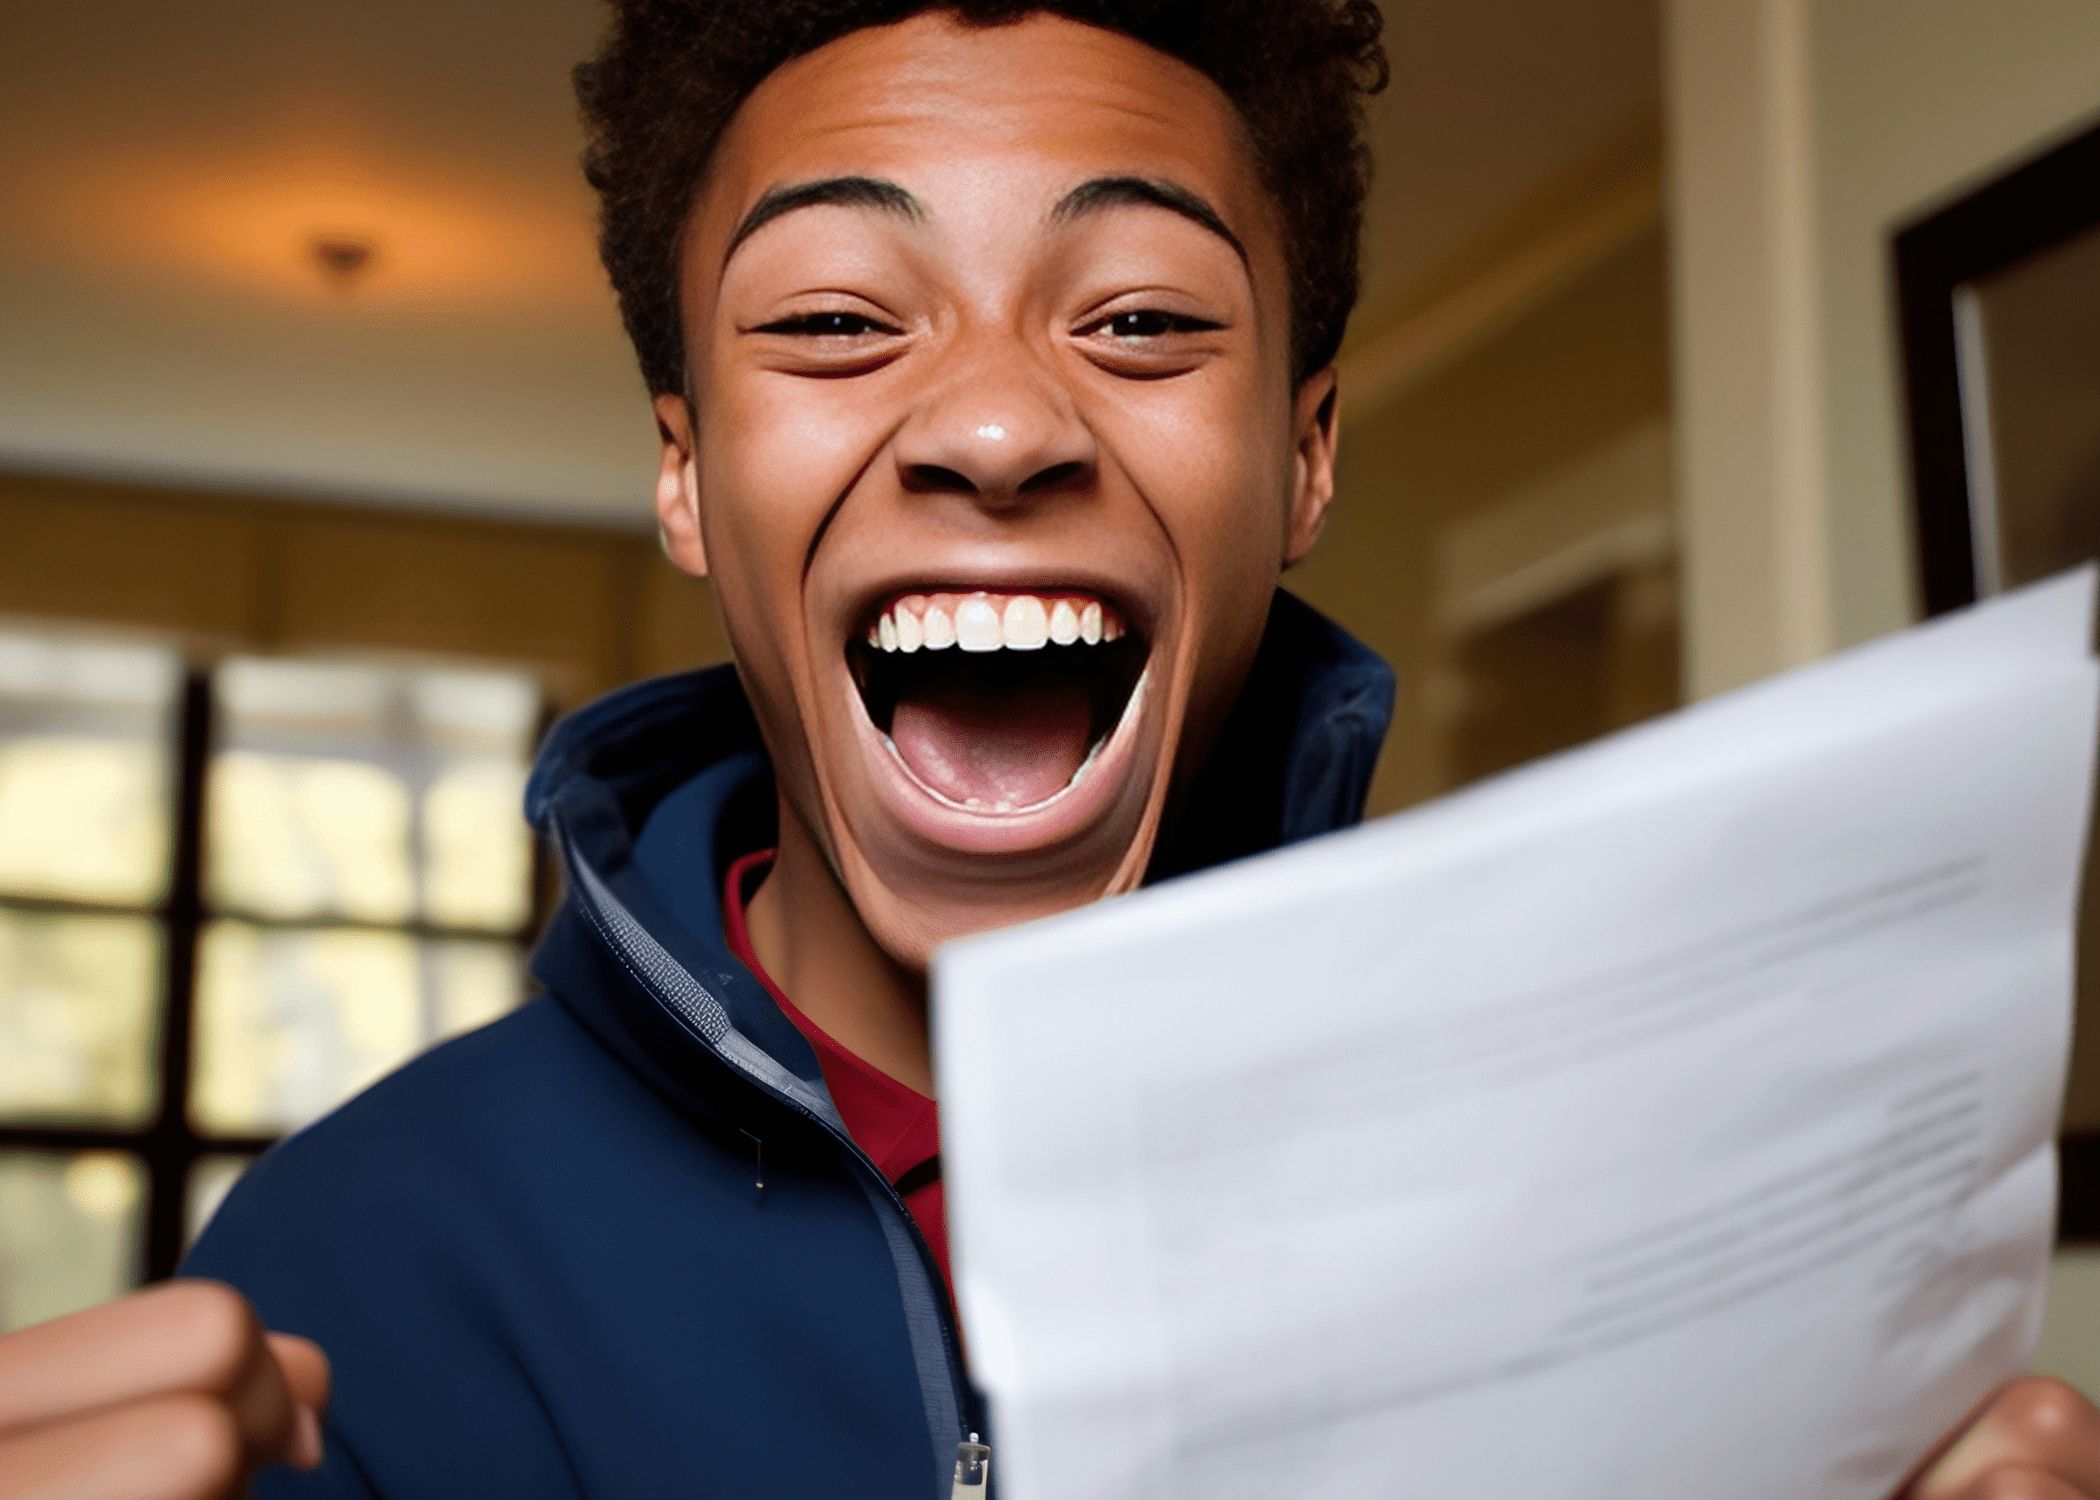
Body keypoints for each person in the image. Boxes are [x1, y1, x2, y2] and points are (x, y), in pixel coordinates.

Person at [2, 4, 2097, 1497]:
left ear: (1301, 460)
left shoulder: (1637, 1176)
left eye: (1143, 319)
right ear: (687, 473)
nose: (999, 427)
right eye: (838, 320)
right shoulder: (351, 1267)